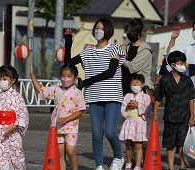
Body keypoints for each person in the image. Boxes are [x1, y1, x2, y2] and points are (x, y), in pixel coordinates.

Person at [64, 17, 126, 170]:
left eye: (102, 28)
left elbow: (110, 72)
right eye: (97, 27)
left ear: (109, 31)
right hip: (94, 97)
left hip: (112, 96)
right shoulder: (88, 51)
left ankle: (118, 157)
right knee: (96, 134)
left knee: (110, 132)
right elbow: (68, 64)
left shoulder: (115, 49)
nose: (98, 30)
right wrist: (68, 43)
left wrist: (85, 82)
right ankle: (99, 165)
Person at [30, 63, 86, 170]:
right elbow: (41, 91)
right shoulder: (56, 89)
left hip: (71, 127)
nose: (65, 79)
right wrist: (32, 75)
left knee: (70, 150)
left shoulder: (78, 93)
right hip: (57, 127)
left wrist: (66, 119)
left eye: (69, 76)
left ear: (75, 78)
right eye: (63, 76)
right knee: (60, 154)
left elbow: (80, 111)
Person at [153, 51, 195, 170]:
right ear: (172, 65)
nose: (183, 65)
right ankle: (171, 167)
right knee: (170, 143)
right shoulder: (165, 80)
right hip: (170, 116)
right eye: (180, 63)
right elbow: (157, 97)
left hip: (185, 116)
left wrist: (192, 117)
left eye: (184, 62)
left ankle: (182, 165)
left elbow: (191, 99)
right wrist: (155, 113)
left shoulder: (187, 80)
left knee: (182, 143)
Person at [119, 73, 152, 170]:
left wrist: (138, 106)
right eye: (132, 83)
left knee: (138, 145)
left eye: (137, 83)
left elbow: (148, 110)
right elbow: (123, 109)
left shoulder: (146, 97)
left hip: (139, 122)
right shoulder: (127, 96)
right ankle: (129, 162)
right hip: (129, 121)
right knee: (129, 144)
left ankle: (138, 164)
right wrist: (128, 107)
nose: (134, 85)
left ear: (142, 84)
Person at [122, 18, 154, 95]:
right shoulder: (125, 48)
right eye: (129, 31)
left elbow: (133, 67)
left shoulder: (145, 50)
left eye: (134, 31)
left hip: (139, 90)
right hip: (123, 90)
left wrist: (120, 57)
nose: (131, 33)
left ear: (141, 32)